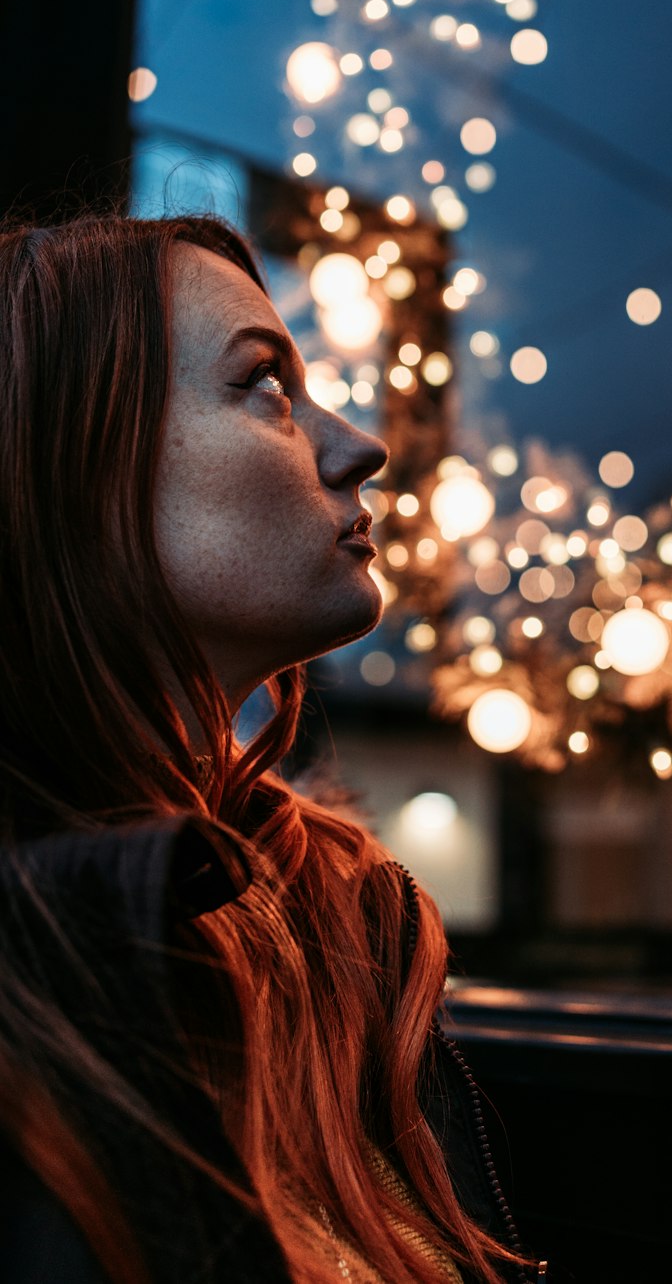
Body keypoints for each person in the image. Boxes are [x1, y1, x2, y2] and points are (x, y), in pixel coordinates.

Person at [0, 207, 550, 1284]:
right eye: (267, 388)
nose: (362, 447)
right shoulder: (43, 981)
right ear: (68, 463)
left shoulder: (338, 928)